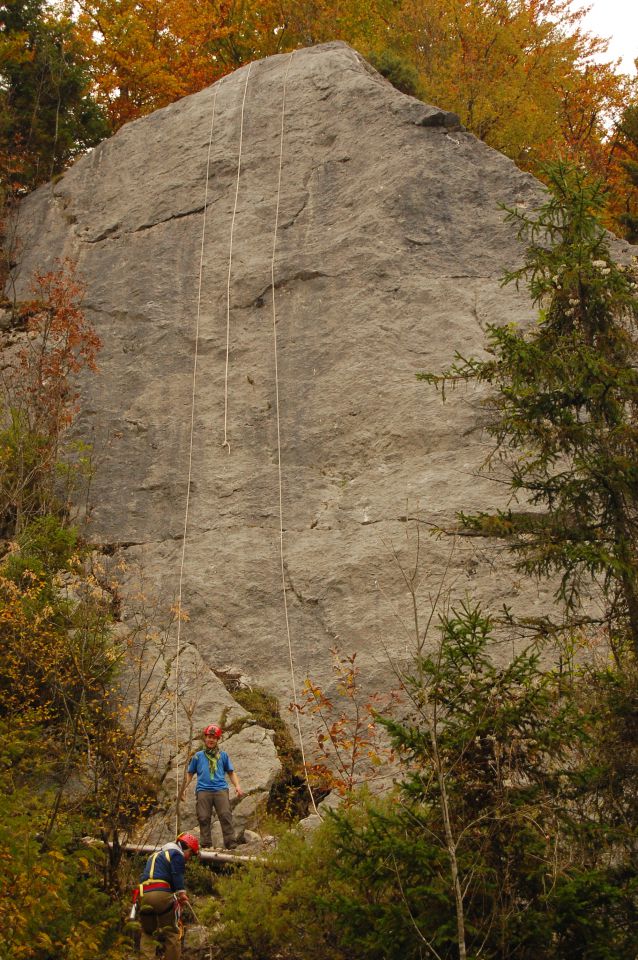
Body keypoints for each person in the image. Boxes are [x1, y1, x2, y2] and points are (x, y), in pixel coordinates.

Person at [179, 723, 245, 849]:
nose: (211, 740)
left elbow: (231, 772)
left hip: (220, 789)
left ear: (217, 739)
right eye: (209, 737)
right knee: (203, 817)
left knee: (226, 815)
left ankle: (231, 842)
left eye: (214, 738)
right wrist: (183, 789)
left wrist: (237, 786)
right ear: (205, 738)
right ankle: (205, 844)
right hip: (203, 790)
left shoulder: (223, 755)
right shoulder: (198, 756)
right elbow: (189, 774)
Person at [136, 832, 199, 960]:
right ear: (185, 847)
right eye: (191, 854)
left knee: (148, 933)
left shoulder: (153, 856)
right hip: (161, 894)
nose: (189, 857)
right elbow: (177, 874)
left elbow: (144, 877)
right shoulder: (176, 854)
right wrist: (182, 893)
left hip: (144, 894)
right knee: (172, 933)